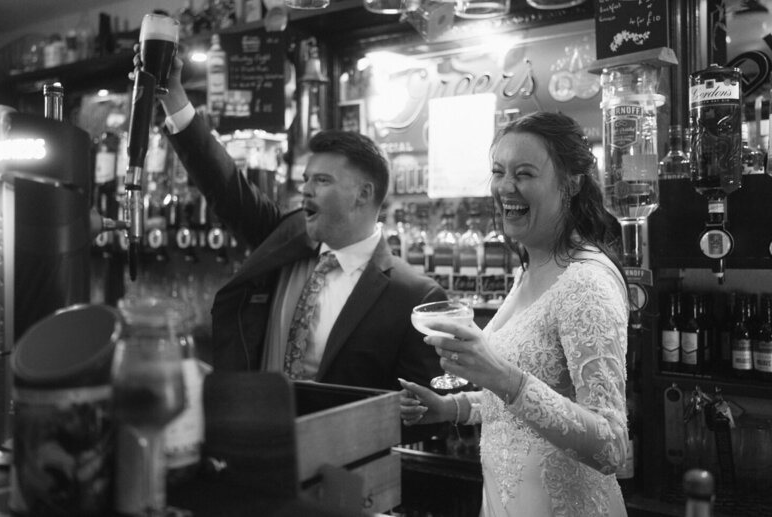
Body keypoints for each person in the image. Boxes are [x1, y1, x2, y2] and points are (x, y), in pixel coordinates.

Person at [148, 53, 446, 393]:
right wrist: (173, 95)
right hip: (257, 436)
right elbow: (226, 186)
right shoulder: (285, 239)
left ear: (363, 194)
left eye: (321, 181)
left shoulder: (413, 296)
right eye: (306, 179)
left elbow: (421, 412)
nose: (305, 190)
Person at [399, 112, 631, 517]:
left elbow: (611, 446)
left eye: (524, 173)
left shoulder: (585, 283)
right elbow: (522, 403)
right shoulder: (531, 266)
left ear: (571, 183)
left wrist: (501, 376)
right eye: (498, 171)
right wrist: (449, 407)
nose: (506, 186)